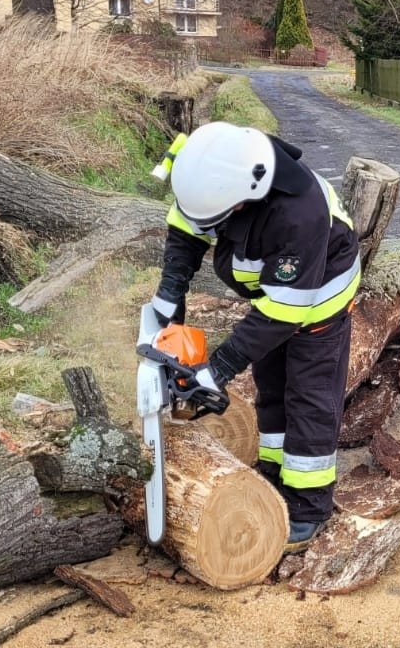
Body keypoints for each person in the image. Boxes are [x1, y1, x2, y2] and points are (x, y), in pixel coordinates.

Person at [147, 121, 361, 551]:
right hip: (273, 297)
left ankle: (306, 507)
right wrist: (171, 290)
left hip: (316, 305)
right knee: (272, 389)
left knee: (310, 399)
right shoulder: (214, 161)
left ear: (245, 201)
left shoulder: (300, 214)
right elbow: (187, 227)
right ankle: (275, 471)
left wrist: (219, 369)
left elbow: (283, 313)